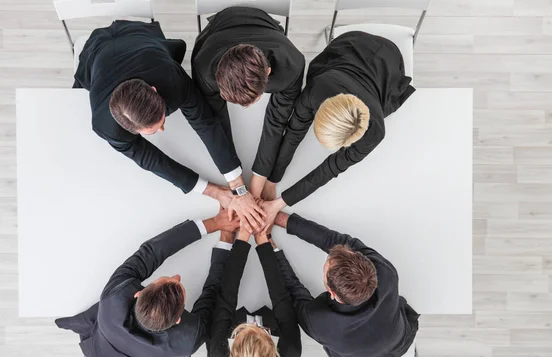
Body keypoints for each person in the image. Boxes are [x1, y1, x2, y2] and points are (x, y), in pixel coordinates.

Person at [74, 20, 264, 232]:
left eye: (162, 120)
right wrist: (214, 192)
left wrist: (238, 186)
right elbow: (150, 159)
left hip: (138, 35)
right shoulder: (105, 126)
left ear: (155, 91)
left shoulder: (172, 79)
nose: (163, 130)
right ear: (129, 129)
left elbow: (205, 122)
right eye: (153, 131)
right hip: (98, 51)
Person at [55, 209, 239, 357]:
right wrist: (226, 241)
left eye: (171, 280)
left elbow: (150, 252)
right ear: (177, 321)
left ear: (138, 293)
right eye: (178, 283)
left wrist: (215, 222)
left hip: (107, 353)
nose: (177, 276)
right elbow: (211, 293)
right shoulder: (189, 337)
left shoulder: (115, 296)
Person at [259, 31, 416, 227]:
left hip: (388, 61)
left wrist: (280, 203)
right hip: (353, 44)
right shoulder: (316, 90)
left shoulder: (375, 132)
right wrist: (273, 178)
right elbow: (294, 132)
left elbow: (331, 168)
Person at [271, 211, 420, 357]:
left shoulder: (318, 322)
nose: (328, 258)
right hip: (399, 338)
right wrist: (282, 219)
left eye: (326, 265)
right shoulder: (384, 272)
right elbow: (338, 242)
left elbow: (294, 290)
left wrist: (272, 249)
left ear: (332, 292)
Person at [191, 6, 305, 201]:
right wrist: (236, 185)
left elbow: (277, 122)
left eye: (251, 101)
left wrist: (257, 183)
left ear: (268, 73)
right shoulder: (204, 68)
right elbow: (215, 122)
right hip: (217, 28)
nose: (245, 108)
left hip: (266, 25)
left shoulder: (291, 67)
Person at [207, 223, 301, 357]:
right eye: (261, 330)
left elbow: (227, 295)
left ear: (234, 340)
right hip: (269, 315)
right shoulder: (291, 351)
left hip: (231, 331)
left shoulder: (217, 351)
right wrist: (262, 243)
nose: (255, 325)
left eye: (246, 329)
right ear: (273, 347)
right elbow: (280, 296)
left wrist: (243, 237)